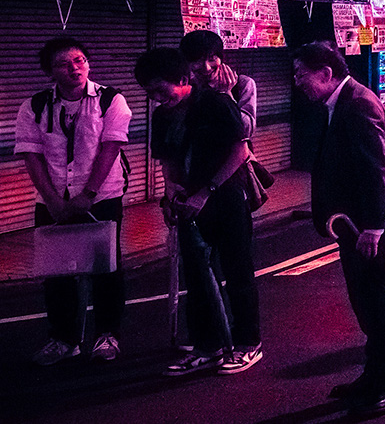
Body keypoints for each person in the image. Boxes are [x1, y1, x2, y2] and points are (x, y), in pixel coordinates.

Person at [293, 42, 385, 418]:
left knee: (379, 301)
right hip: (357, 224)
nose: (297, 82)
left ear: (325, 73)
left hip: (375, 224)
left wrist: (373, 228)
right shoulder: (340, 102)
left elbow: (375, 170)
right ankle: (373, 373)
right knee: (364, 298)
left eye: (301, 74)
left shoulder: (358, 104)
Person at [138, 48, 263, 376]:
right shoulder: (162, 115)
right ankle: (207, 346)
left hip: (228, 198)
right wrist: (170, 190)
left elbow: (240, 151)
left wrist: (206, 193)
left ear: (182, 79)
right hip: (189, 204)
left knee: (237, 271)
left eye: (160, 90)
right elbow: (166, 157)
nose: (155, 98)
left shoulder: (215, 103)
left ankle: (249, 343)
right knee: (196, 277)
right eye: (149, 92)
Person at [15, 37, 132, 365]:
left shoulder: (111, 100)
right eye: (64, 64)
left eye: (80, 60)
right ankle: (64, 338)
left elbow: (111, 147)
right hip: (52, 200)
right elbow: (31, 154)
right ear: (50, 72)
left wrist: (88, 195)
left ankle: (108, 334)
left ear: (88, 64)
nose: (74, 68)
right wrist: (52, 200)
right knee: (58, 271)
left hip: (102, 196)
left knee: (106, 268)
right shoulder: (34, 106)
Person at [179, 29, 258, 139]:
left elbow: (246, 131)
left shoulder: (243, 84)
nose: (206, 67)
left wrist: (226, 94)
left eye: (212, 59)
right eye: (198, 61)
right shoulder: (186, 87)